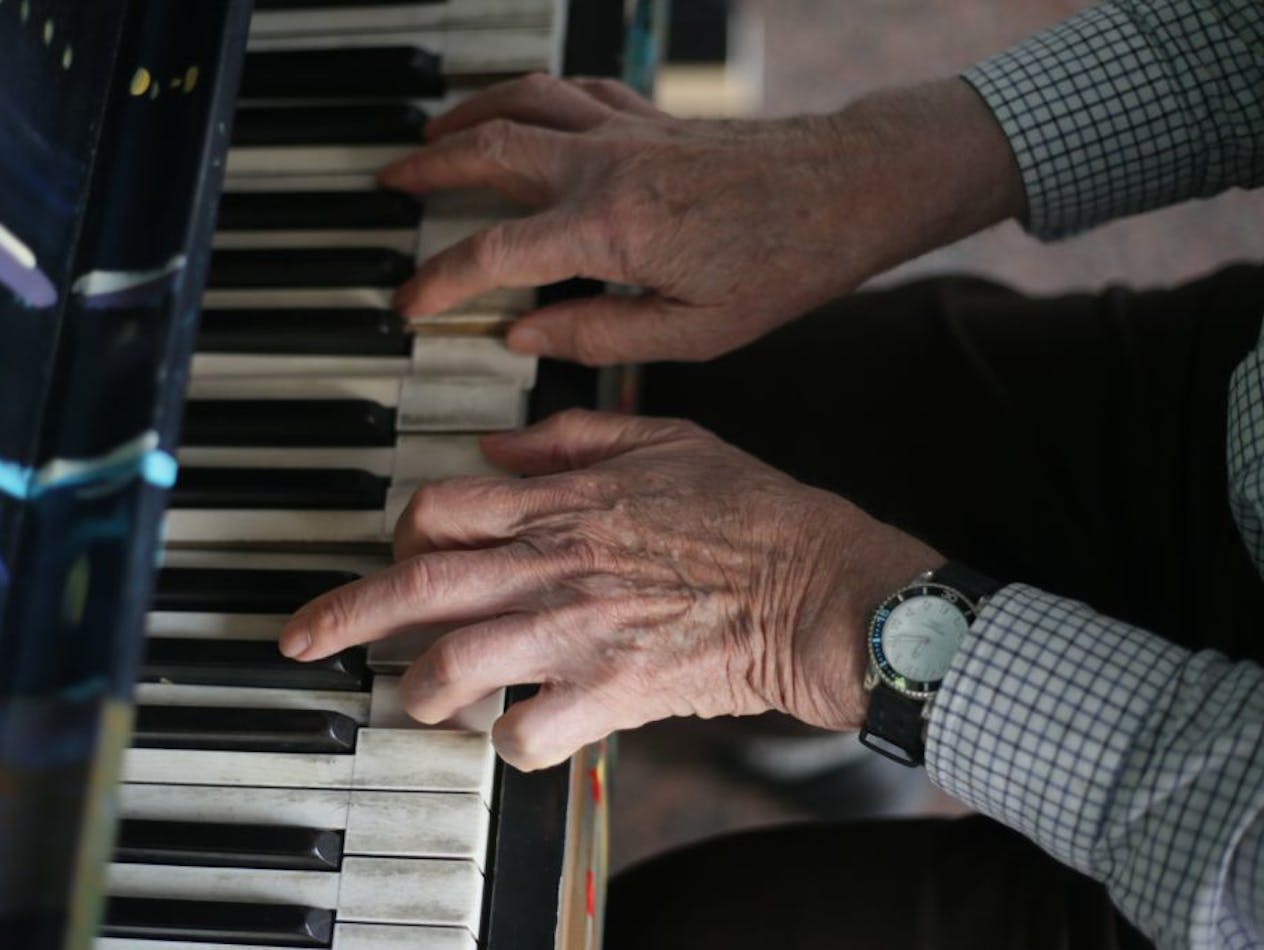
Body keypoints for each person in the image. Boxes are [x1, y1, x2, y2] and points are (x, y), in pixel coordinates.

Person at [278, 1, 1264, 946]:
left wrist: (810, 609)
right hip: (1223, 409)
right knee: (669, 397)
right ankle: (821, 745)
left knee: (668, 926)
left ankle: (864, 709)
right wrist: (861, 168)